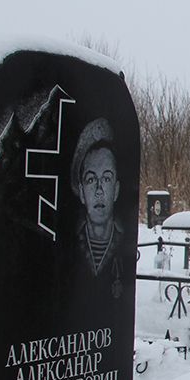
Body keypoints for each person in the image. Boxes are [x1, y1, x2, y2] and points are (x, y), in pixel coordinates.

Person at [71, 117, 125, 297]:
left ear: (116, 189)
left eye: (107, 179)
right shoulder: (69, 241)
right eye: (91, 179)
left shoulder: (122, 237)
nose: (99, 191)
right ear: (81, 191)